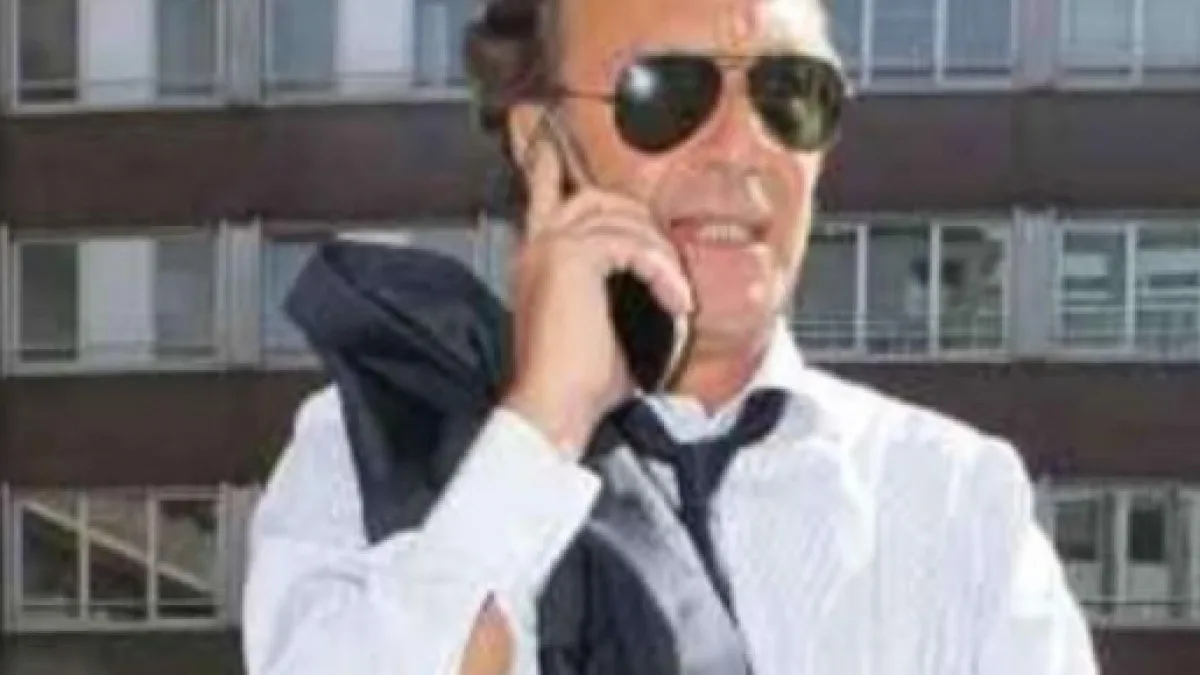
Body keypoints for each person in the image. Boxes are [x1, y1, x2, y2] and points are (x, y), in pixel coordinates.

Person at [241, 0, 1100, 673]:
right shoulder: (375, 444)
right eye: (667, 93)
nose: (742, 148)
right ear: (542, 142)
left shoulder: (957, 501)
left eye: (789, 94)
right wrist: (541, 430)